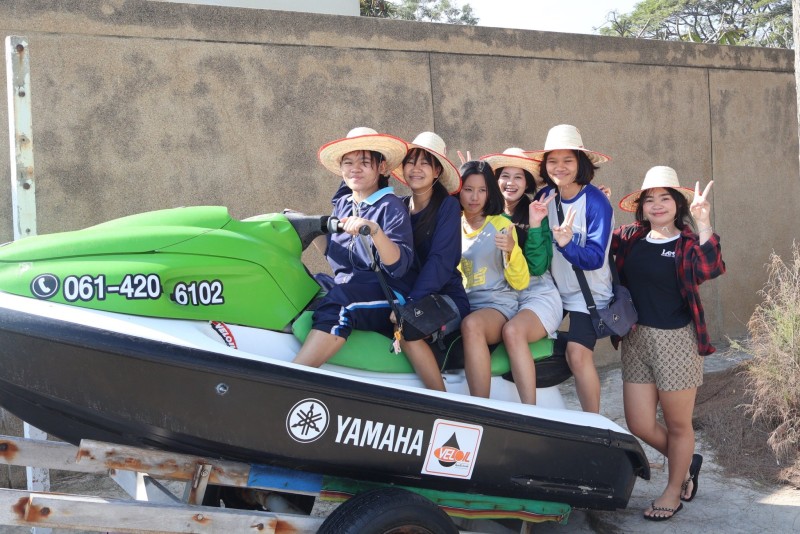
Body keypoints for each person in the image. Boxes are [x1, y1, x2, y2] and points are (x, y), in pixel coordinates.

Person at [613, 166, 725, 521]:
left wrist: (703, 221)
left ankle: (673, 491)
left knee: (678, 425)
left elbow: (711, 268)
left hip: (676, 341)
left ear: (678, 205)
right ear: (641, 207)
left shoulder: (687, 244)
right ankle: (686, 463)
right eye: (650, 199)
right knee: (639, 423)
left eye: (665, 198)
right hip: (636, 339)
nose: (657, 205)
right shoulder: (629, 238)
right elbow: (595, 244)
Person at [293, 127, 414, 367]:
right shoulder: (344, 205)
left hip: (386, 295)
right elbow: (334, 254)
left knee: (342, 302)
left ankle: (296, 372)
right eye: (348, 162)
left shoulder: (391, 207)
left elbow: (398, 267)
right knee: (306, 284)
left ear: (381, 167)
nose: (355, 168)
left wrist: (375, 231)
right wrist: (306, 225)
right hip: (348, 285)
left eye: (364, 162)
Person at [529, 124, 613, 413]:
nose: (560, 167)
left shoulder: (596, 201)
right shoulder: (544, 198)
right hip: (553, 290)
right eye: (553, 160)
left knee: (577, 355)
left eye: (568, 160)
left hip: (587, 295)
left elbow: (595, 258)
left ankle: (593, 423)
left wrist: (566, 244)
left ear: (581, 163)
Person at [479, 148, 562, 404]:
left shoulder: (535, 211)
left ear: (527, 183)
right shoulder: (485, 211)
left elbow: (537, 267)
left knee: (513, 332)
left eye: (518, 177)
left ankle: (530, 411)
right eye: (505, 175)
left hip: (536, 292)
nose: (510, 183)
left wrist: (535, 225)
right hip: (500, 293)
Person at [390, 132, 469, 391]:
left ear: (437, 171)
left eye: (425, 163)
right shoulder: (399, 206)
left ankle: (441, 401)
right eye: (411, 162)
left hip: (446, 298)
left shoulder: (448, 207)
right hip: (409, 296)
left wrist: (410, 303)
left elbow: (440, 262)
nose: (416, 168)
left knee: (408, 329)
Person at [458, 159, 529, 398]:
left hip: (496, 306)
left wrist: (511, 250)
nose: (474, 197)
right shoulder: (452, 223)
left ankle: (481, 407)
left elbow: (520, 282)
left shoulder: (501, 225)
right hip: (463, 303)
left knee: (472, 325)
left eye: (482, 190)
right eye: (468, 189)